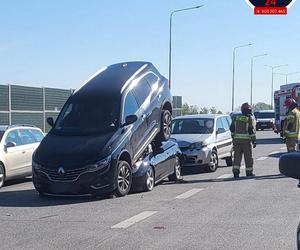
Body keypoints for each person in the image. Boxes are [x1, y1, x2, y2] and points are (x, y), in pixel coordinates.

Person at [230, 103, 256, 178]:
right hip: (246, 142)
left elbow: (231, 128)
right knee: (248, 158)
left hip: (236, 141)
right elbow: (251, 131)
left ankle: (235, 172)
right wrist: (254, 141)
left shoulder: (236, 118)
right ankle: (249, 172)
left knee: (237, 157)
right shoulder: (249, 119)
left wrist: (233, 137)